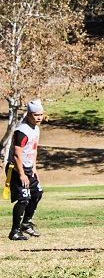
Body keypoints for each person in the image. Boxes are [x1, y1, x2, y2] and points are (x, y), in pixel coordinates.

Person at [7, 100, 45, 241]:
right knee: (23, 199)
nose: (39, 118)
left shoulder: (36, 129)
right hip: (17, 169)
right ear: (29, 115)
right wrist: (22, 174)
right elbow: (17, 155)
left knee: (37, 194)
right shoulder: (22, 131)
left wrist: (34, 168)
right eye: (36, 115)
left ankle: (26, 223)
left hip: (29, 168)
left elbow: (33, 150)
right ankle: (14, 231)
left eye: (41, 115)